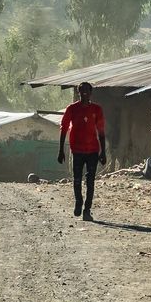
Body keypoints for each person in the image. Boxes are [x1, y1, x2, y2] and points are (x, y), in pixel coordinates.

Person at [58, 82, 107, 221]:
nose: (85, 93)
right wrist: (61, 150)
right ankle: (78, 202)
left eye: (87, 91)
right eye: (82, 91)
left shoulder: (97, 109)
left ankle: (87, 209)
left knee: (90, 181)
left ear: (91, 93)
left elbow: (101, 131)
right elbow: (64, 128)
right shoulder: (72, 109)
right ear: (79, 92)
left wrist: (103, 152)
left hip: (92, 150)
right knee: (77, 179)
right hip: (77, 150)